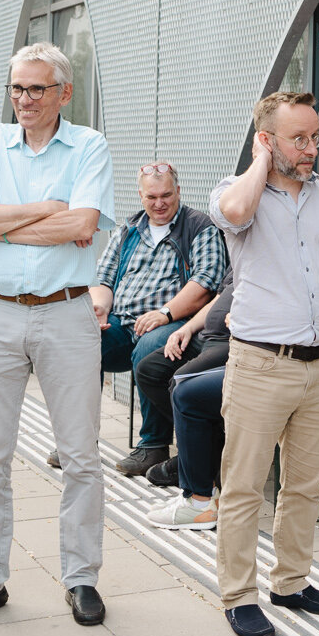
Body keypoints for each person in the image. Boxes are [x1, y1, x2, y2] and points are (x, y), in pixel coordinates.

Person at [0, 43, 115, 630]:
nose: (23, 99)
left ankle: (81, 578)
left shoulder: (89, 145)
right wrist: (44, 209)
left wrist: (5, 219)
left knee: (81, 457)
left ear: (64, 93)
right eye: (16, 87)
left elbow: (83, 225)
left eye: (36, 89)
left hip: (67, 314)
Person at [208, 92, 319, 636]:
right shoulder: (235, 190)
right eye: (299, 138)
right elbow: (236, 215)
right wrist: (260, 163)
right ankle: (238, 595)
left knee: (304, 485)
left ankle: (291, 583)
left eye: (316, 136)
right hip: (260, 365)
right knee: (245, 484)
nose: (312, 148)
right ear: (267, 140)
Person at [85, 162, 225, 476]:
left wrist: (165, 314)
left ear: (178, 191)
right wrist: (99, 308)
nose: (159, 203)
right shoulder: (129, 229)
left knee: (148, 349)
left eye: (166, 195)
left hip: (176, 321)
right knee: (84, 344)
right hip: (123, 320)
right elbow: (103, 279)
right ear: (141, 195)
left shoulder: (199, 226)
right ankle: (78, 440)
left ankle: (153, 445)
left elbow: (205, 283)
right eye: (151, 197)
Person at [145, 286, 234, 530]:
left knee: (184, 389)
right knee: (151, 369)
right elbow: (219, 299)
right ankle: (197, 469)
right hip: (209, 338)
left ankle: (199, 500)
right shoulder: (246, 256)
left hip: (243, 346)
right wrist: (187, 328)